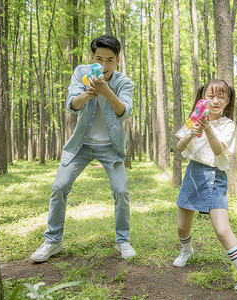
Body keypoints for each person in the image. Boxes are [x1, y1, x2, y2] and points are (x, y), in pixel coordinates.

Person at [31, 34, 136, 262]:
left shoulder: (124, 82)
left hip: (111, 148)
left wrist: (106, 90)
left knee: (121, 192)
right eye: (99, 59)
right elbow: (72, 106)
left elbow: (123, 112)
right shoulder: (82, 72)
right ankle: (53, 241)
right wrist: (87, 94)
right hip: (81, 144)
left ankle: (122, 241)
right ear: (92, 58)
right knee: (59, 186)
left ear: (117, 61)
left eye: (110, 60)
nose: (104, 65)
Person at [173, 79, 237, 300]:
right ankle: (188, 251)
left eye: (221, 96)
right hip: (193, 174)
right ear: (203, 97)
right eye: (211, 96)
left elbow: (218, 151)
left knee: (222, 230)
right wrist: (193, 132)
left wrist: (208, 128)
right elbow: (179, 148)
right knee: (182, 228)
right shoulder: (193, 119)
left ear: (227, 100)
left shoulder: (228, 125)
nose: (215, 100)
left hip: (215, 177)